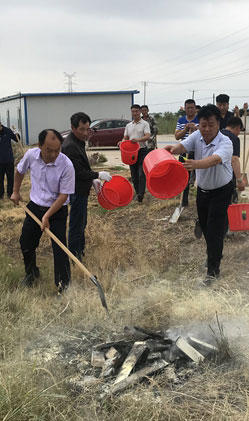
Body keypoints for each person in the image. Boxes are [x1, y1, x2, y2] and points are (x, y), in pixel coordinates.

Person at [163, 104, 235, 285]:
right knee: (206, 228)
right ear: (199, 124)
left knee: (214, 231)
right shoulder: (197, 136)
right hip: (203, 191)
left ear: (218, 124)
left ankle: (213, 272)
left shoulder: (225, 142)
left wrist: (195, 164)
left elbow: (215, 160)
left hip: (221, 191)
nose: (207, 129)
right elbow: (183, 146)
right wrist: (173, 150)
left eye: (211, 125)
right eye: (203, 125)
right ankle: (213, 251)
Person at [11, 129, 75, 292]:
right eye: (49, 150)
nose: (53, 154)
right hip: (35, 207)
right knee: (26, 242)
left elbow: (63, 196)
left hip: (57, 210)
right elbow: (19, 171)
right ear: (40, 146)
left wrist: (47, 216)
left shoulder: (66, 165)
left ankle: (63, 285)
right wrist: (15, 192)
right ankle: (31, 273)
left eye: (57, 150)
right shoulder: (31, 155)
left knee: (59, 248)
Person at [62, 112, 111, 261]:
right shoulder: (70, 146)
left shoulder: (78, 141)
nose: (85, 133)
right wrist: (97, 175)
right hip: (76, 190)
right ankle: (75, 257)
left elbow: (82, 167)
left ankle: (80, 251)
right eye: (81, 129)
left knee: (81, 223)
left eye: (87, 129)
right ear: (73, 128)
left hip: (82, 189)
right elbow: (77, 172)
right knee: (76, 225)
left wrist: (92, 179)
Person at [121, 104, 151, 202]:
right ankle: (138, 193)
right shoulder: (128, 125)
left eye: (136, 111)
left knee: (141, 174)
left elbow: (147, 136)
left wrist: (137, 140)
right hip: (131, 153)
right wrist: (121, 142)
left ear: (140, 112)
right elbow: (125, 138)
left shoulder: (145, 124)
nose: (135, 113)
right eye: (133, 111)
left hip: (142, 151)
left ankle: (141, 194)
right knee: (134, 175)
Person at [175, 99, 199, 207]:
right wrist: (185, 129)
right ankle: (183, 201)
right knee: (184, 177)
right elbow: (177, 136)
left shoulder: (200, 119)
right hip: (184, 152)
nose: (190, 110)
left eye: (192, 108)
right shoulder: (181, 120)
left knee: (200, 176)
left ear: (195, 108)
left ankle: (200, 200)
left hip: (198, 152)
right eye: (188, 108)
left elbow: (204, 134)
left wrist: (195, 129)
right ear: (185, 108)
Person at [221, 116, 246, 206]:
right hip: (227, 175)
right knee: (229, 202)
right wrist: (239, 180)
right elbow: (234, 159)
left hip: (213, 174)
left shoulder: (217, 134)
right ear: (237, 128)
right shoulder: (234, 139)